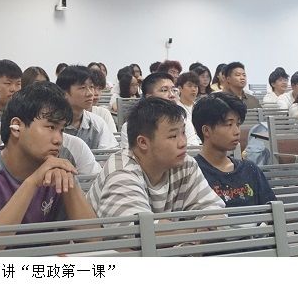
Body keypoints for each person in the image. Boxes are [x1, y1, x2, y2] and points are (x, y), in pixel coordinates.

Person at [0, 82, 97, 256]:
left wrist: (70, 184)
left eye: (61, 130)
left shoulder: (57, 172)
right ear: (16, 127)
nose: (58, 139)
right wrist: (32, 182)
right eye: (51, 127)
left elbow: (94, 241)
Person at [86, 97, 224, 220]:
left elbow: (215, 211)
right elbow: (141, 231)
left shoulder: (185, 164)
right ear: (143, 142)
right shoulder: (121, 171)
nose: (183, 143)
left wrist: (200, 228)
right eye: (173, 136)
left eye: (183, 132)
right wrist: (197, 230)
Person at [192, 94, 276, 208]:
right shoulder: (193, 173)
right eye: (229, 124)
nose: (237, 131)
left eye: (238, 124)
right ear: (206, 130)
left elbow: (272, 210)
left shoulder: (249, 169)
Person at [56, 66, 118, 150]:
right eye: (82, 88)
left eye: (91, 87)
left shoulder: (97, 123)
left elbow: (111, 152)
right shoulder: (52, 124)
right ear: (64, 93)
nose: (90, 93)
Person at [86, 68, 118, 134]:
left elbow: (114, 137)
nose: (97, 93)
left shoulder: (103, 113)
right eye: (92, 88)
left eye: (99, 89)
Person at [176, 71, 202, 146]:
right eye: (190, 86)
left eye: (196, 86)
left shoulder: (200, 107)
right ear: (180, 88)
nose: (193, 89)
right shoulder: (176, 109)